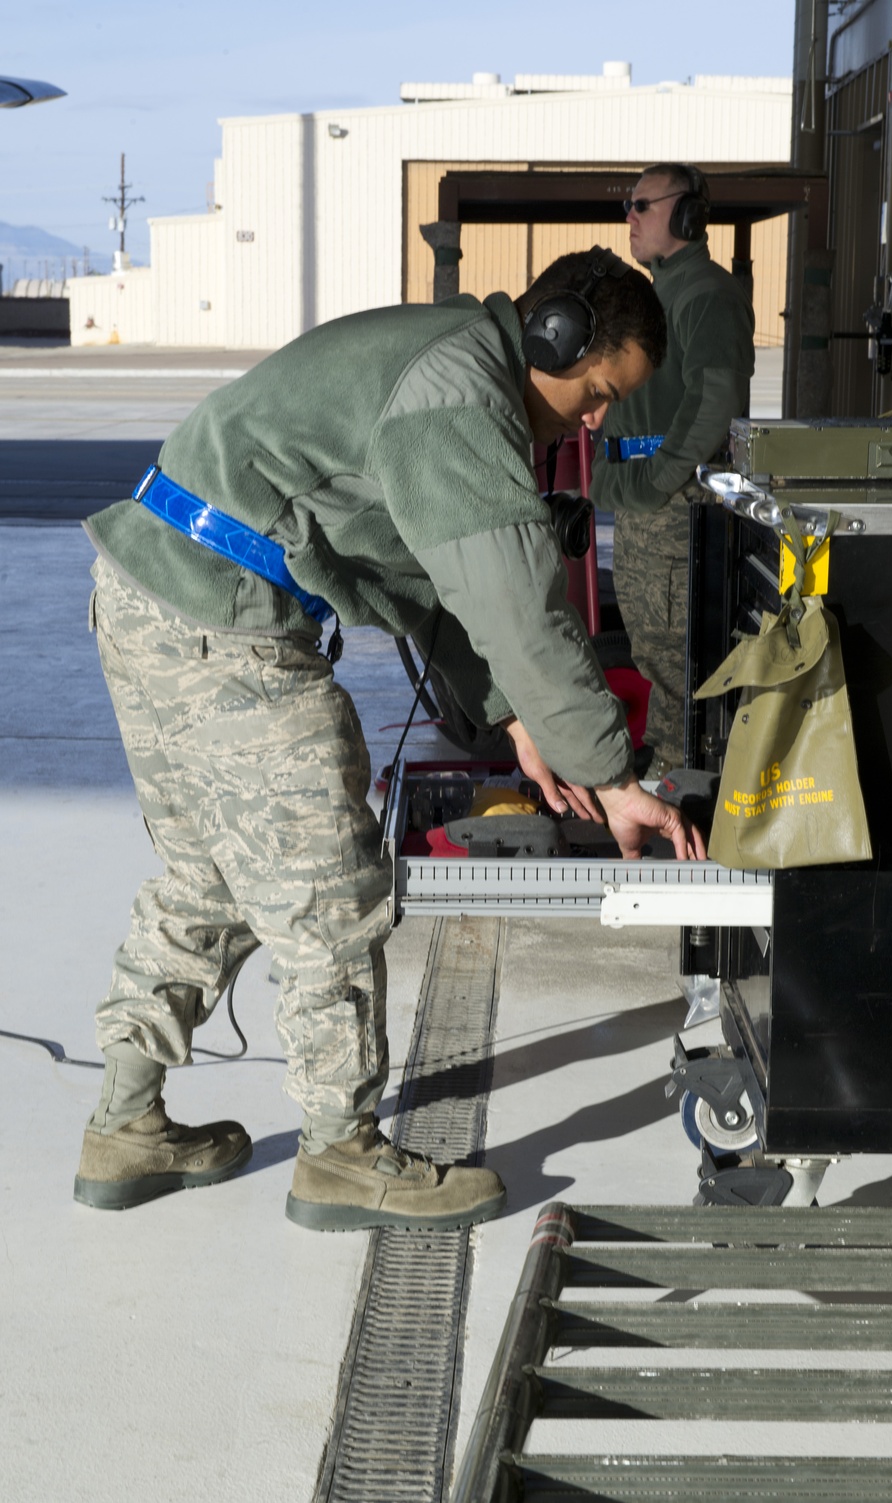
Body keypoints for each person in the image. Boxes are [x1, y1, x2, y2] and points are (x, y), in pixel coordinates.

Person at [74, 246, 707, 1234]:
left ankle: (126, 1122)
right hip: (223, 626)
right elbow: (513, 602)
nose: (593, 422)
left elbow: (431, 588)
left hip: (158, 597)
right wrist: (612, 772)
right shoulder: (460, 396)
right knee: (330, 886)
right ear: (555, 342)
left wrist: (512, 718)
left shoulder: (447, 366)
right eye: (594, 395)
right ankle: (341, 1155)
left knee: (212, 880)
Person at [589, 164, 756, 781]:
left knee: (682, 675)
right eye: (626, 205)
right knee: (658, 667)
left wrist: (656, 479)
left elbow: (712, 403)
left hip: (672, 513)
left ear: (686, 215)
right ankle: (670, 785)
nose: (628, 217)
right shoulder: (657, 297)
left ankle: (683, 803)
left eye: (641, 205)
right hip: (644, 511)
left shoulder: (706, 294)